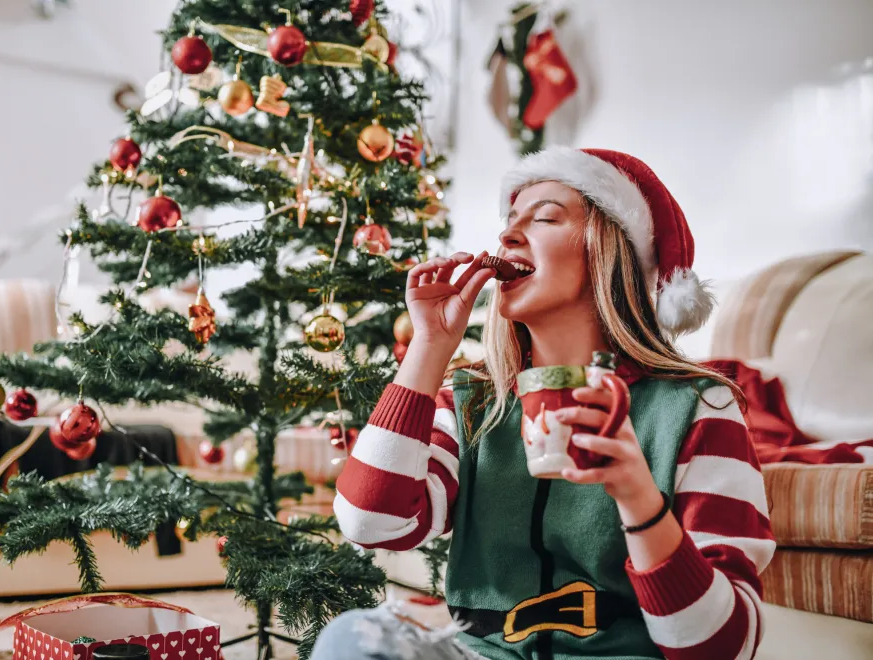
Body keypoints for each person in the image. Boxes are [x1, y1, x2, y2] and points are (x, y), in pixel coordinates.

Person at [310, 147, 775, 660]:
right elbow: (369, 523)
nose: (508, 235)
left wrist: (639, 498)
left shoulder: (699, 408)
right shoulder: (471, 405)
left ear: (607, 252)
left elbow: (723, 647)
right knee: (354, 638)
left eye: (546, 217)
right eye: (509, 222)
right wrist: (429, 345)